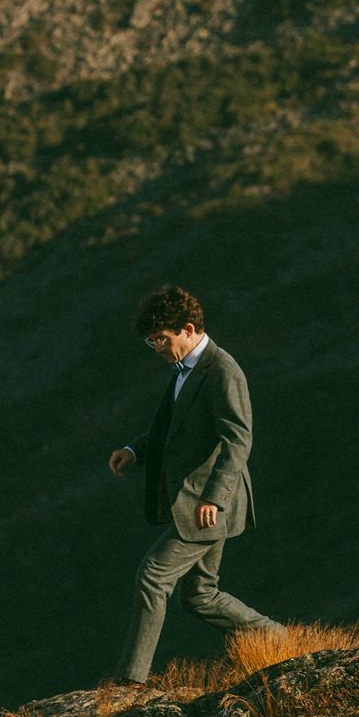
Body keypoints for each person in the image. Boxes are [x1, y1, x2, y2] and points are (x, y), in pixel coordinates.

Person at [106, 285, 282, 684]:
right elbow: (170, 430)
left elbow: (238, 438)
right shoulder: (183, 369)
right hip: (200, 504)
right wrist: (134, 451)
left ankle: (130, 681)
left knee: (153, 574)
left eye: (162, 340)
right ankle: (281, 639)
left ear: (187, 328)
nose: (157, 349)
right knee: (201, 595)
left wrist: (213, 498)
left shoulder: (222, 369)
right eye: (151, 342)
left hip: (207, 506)